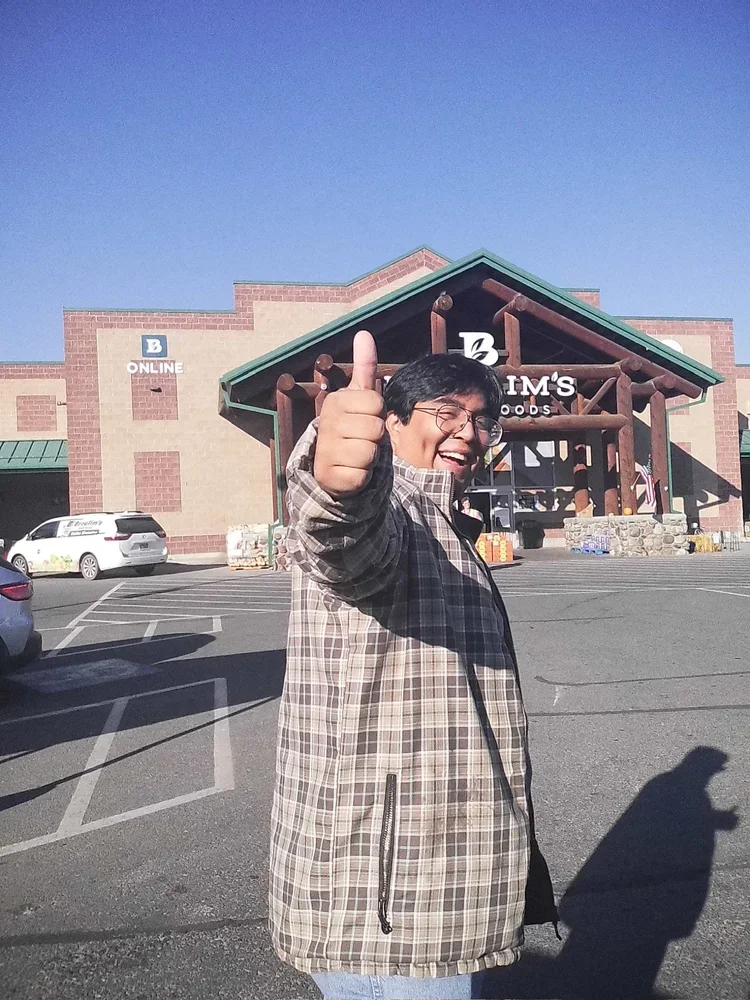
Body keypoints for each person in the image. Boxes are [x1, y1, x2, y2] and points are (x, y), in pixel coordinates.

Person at [270, 331, 557, 1000]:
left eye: (481, 420)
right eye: (445, 413)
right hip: (391, 897)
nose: (469, 433)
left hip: (423, 878)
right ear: (391, 422)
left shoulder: (443, 519)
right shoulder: (396, 508)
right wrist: (339, 478)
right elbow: (343, 538)